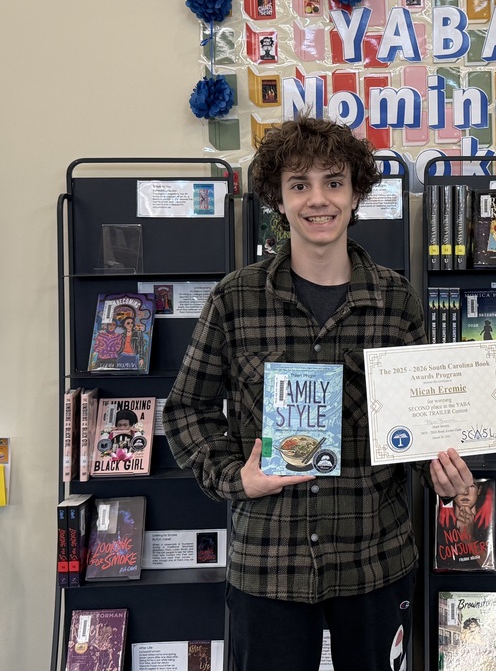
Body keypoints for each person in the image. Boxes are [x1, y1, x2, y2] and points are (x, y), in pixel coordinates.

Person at [163, 114, 474, 671]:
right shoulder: (235, 300)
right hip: (268, 560)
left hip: (374, 559)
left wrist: (444, 470)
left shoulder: (396, 301)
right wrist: (236, 476)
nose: (318, 200)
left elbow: (424, 419)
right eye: (298, 185)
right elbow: (187, 408)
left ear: (356, 195)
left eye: (333, 182)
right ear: (277, 200)